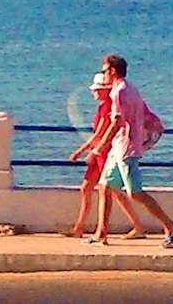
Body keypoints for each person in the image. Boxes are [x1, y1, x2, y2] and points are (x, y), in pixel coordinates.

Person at [84, 54, 173, 248]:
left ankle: (171, 227)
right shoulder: (131, 88)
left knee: (135, 193)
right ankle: (101, 233)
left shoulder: (118, 93)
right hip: (120, 147)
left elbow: (116, 123)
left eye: (104, 71)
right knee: (105, 187)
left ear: (112, 71)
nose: (103, 74)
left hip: (125, 148)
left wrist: (98, 148)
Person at [62, 64, 118, 239]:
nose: (94, 93)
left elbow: (99, 134)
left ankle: (137, 225)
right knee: (87, 188)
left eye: (98, 90)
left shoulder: (108, 107)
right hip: (98, 152)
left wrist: (81, 152)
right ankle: (79, 227)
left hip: (103, 153)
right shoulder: (103, 107)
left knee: (113, 192)